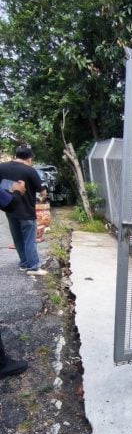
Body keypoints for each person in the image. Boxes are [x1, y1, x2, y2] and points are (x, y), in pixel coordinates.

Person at [0, 144, 48, 276]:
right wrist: (42, 198)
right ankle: (33, 267)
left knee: (18, 238)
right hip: (26, 211)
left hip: (9, 209)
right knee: (29, 239)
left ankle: (24, 263)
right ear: (29, 158)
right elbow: (43, 192)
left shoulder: (1, 167)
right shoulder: (30, 170)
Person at [0, 178, 29, 378]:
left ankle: (25, 261)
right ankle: (2, 364)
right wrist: (17, 191)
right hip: (24, 214)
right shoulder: (27, 172)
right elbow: (9, 202)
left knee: (19, 237)